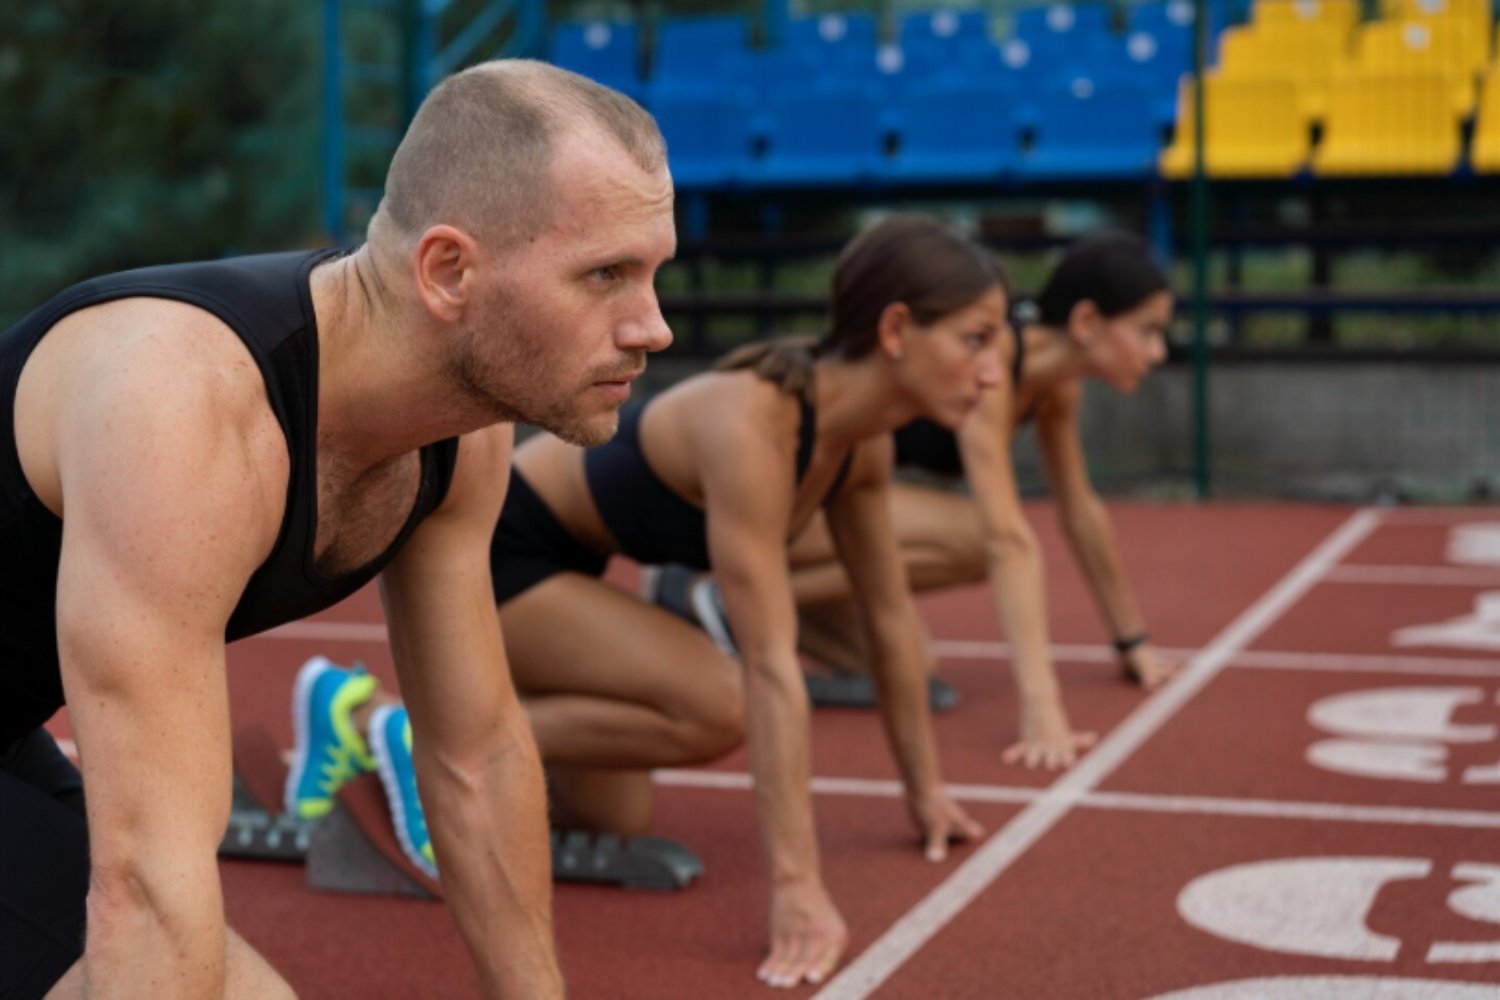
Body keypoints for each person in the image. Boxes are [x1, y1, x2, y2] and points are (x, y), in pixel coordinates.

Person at [0, 59, 675, 999]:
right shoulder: (182, 404)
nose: (654, 327)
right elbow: (149, 890)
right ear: (448, 270)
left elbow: (474, 754)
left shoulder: (462, 436)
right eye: (605, 275)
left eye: (652, 274)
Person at [291, 213, 1002, 989]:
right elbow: (769, 665)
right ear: (897, 330)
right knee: (718, 701)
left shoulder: (860, 441)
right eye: (976, 339)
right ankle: (399, 727)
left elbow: (891, 619)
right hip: (503, 549)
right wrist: (797, 889)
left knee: (615, 814)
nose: (996, 372)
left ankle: (364, 713)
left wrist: (926, 794)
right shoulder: (757, 424)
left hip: (577, 568)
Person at [772, 232, 1177, 770]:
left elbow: (1080, 510)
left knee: (915, 666)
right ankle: (730, 588)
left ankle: (728, 602)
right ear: (1085, 323)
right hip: (793, 501)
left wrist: (1132, 641)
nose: (1159, 351)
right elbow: (1004, 536)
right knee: (975, 537)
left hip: (845, 506)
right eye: (1147, 331)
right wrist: (1042, 707)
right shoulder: (995, 362)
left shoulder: (1057, 386)